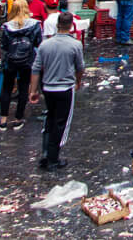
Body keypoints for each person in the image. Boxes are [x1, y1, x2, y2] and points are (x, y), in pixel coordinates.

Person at [29, 12, 84, 170]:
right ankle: (53, 157)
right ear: (71, 25)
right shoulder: (75, 45)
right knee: (62, 123)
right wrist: (78, 81)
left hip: (48, 87)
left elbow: (36, 68)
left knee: (50, 119)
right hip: (65, 87)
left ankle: (46, 152)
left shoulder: (45, 45)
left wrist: (33, 90)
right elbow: (80, 67)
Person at [0, 0, 43, 130]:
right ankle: (18, 118)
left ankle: (3, 119)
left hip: (10, 61)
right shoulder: (35, 25)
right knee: (24, 87)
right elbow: (38, 42)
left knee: (6, 87)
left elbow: (4, 45)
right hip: (27, 61)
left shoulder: (7, 26)